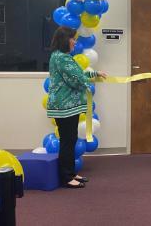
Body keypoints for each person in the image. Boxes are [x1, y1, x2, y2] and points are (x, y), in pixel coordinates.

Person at [47, 27, 107, 188]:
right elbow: (77, 79)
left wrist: (95, 74)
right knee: (68, 141)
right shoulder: (62, 58)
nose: (75, 42)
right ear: (64, 40)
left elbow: (77, 73)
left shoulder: (59, 56)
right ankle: (66, 177)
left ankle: (71, 173)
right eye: (73, 39)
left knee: (70, 139)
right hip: (64, 106)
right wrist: (90, 79)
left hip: (65, 106)